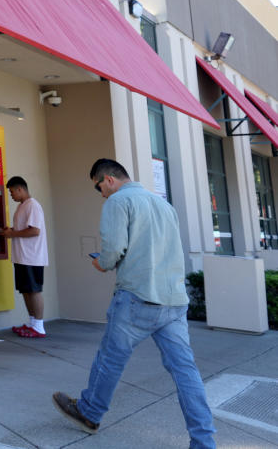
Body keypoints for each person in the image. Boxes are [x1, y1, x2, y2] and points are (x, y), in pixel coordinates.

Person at [52, 158, 215, 448]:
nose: (100, 193)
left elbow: (113, 251)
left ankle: (89, 413)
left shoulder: (116, 202)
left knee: (110, 360)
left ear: (109, 180)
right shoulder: (164, 206)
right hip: (174, 302)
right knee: (186, 372)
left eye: (98, 186)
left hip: (137, 298)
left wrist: (101, 264)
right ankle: (204, 442)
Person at [0, 175, 47, 338]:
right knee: (26, 290)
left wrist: (12, 233)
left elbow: (34, 230)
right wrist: (5, 231)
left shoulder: (33, 205)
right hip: (22, 256)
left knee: (34, 290)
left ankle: (39, 326)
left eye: (12, 192)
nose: (11, 195)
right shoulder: (22, 206)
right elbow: (22, 229)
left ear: (20, 189)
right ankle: (32, 324)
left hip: (32, 256)